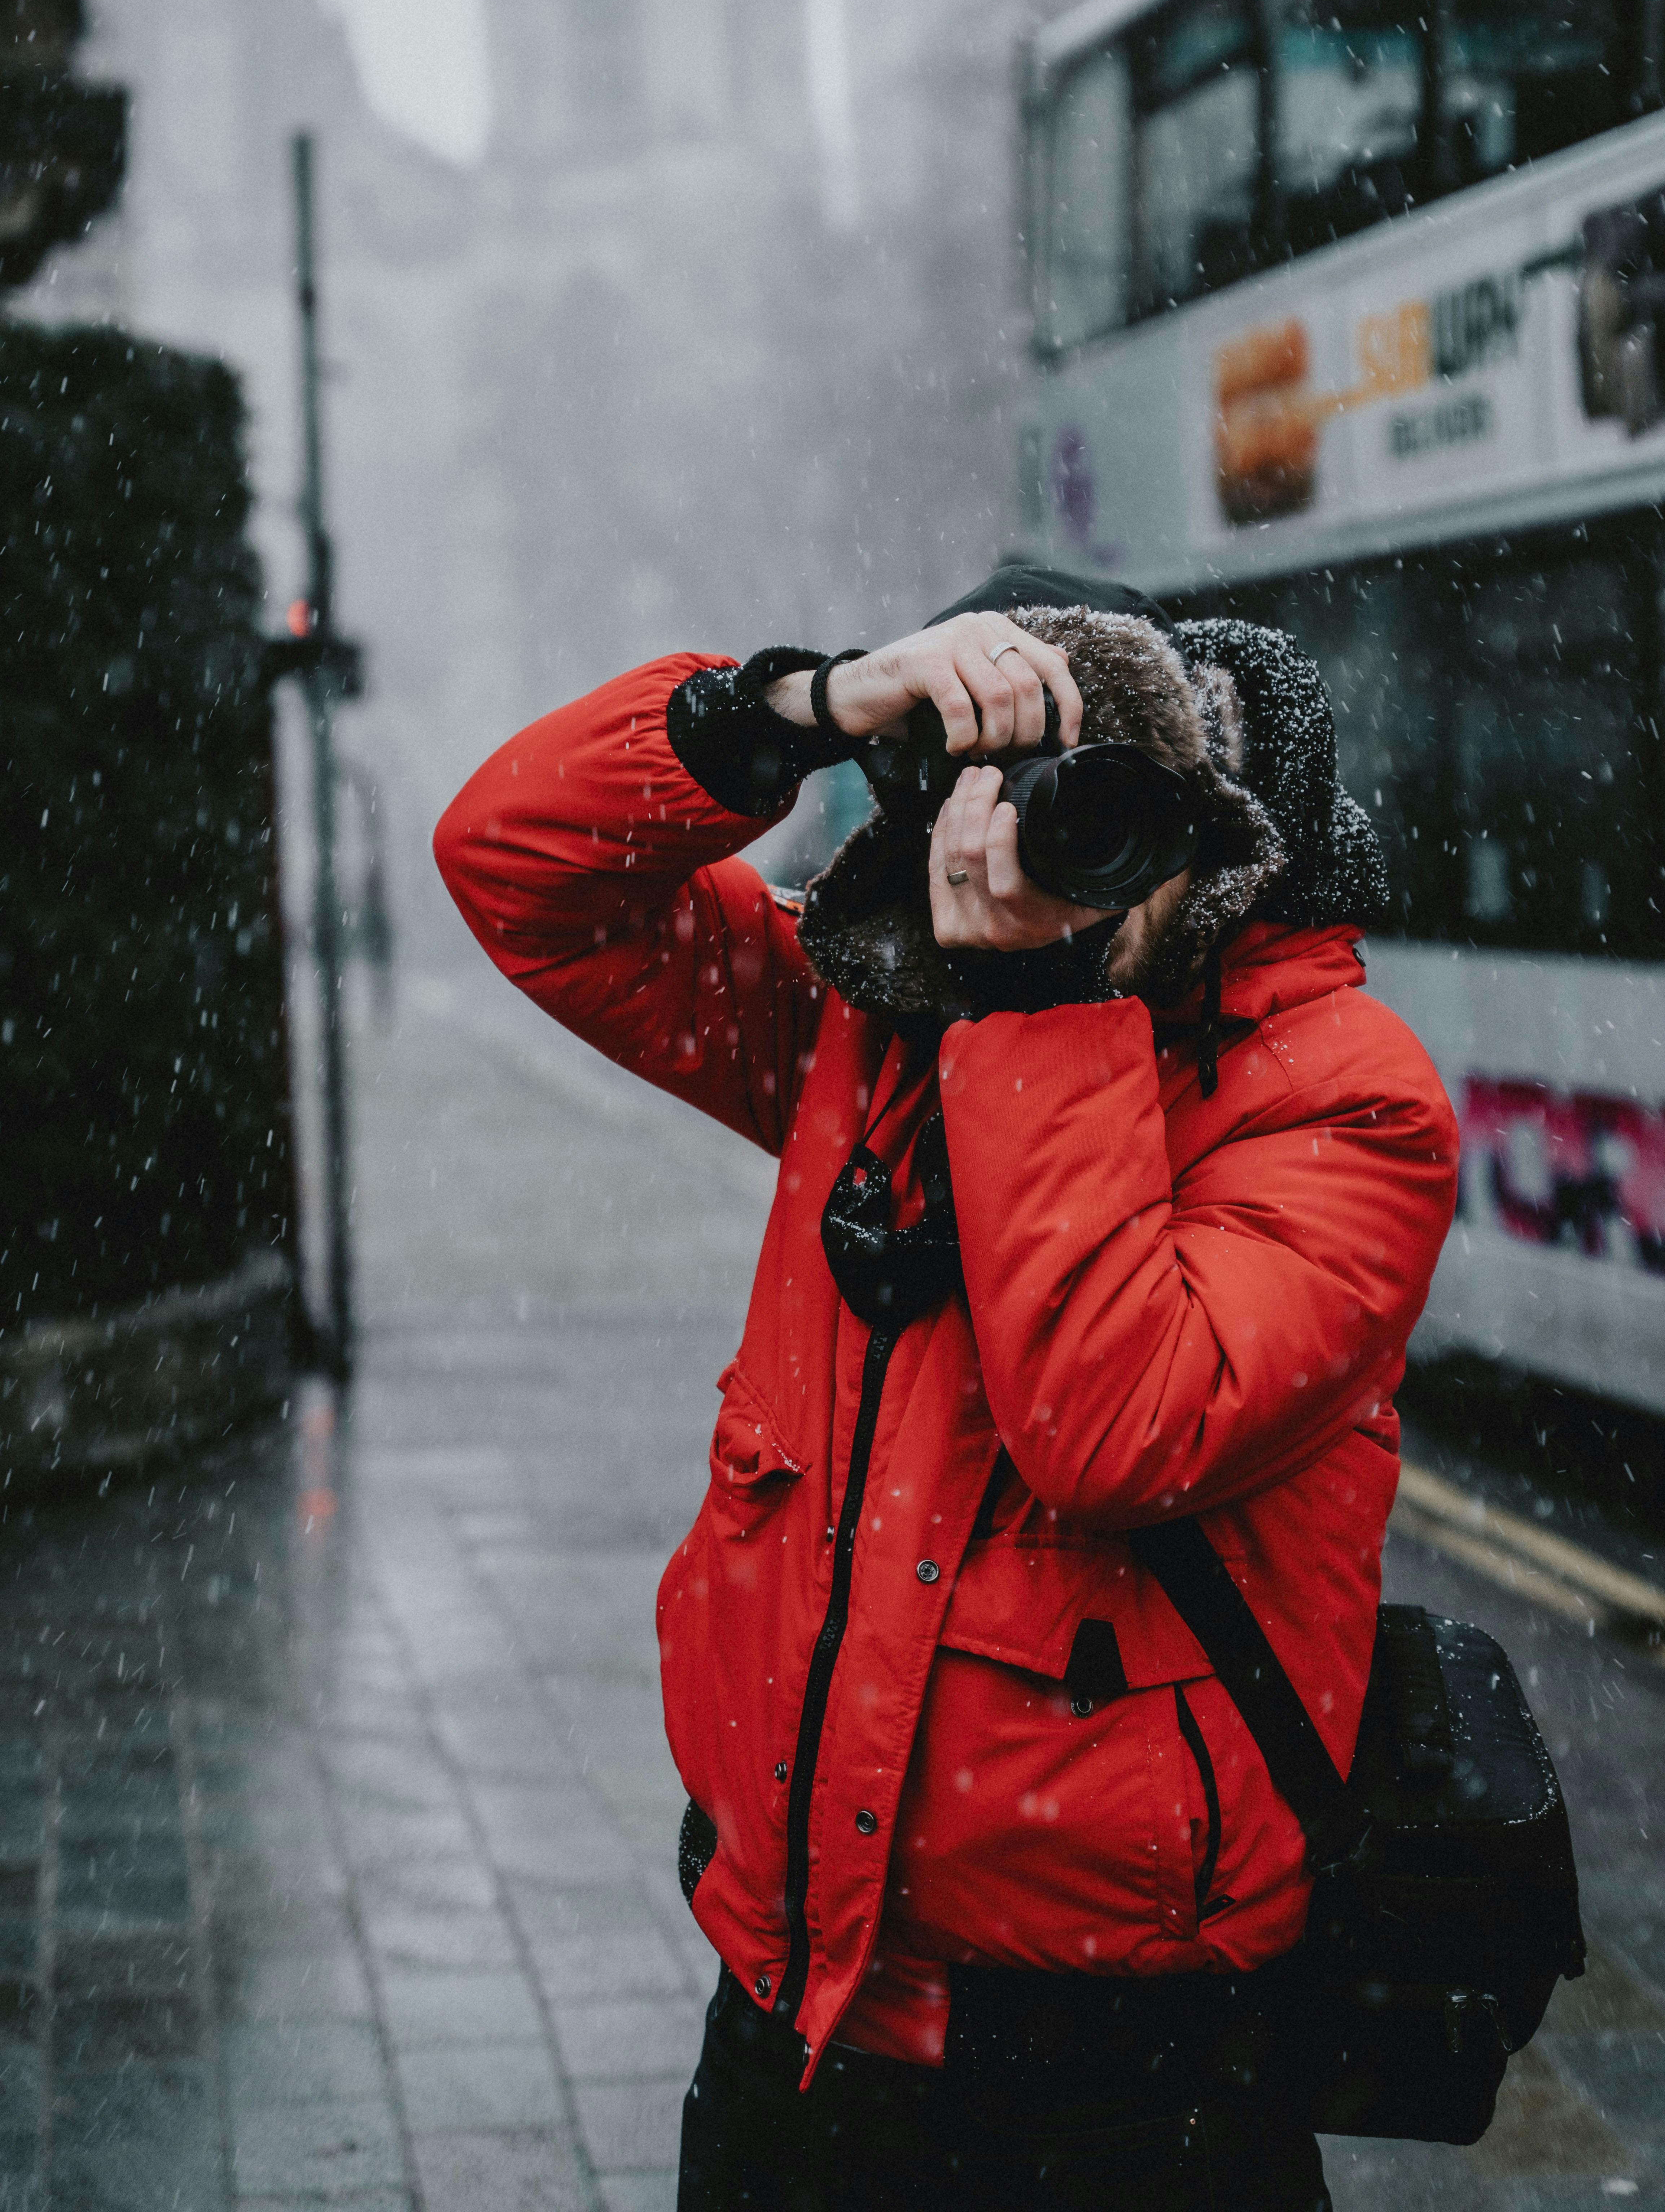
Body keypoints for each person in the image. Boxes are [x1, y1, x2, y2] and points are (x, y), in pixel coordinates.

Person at [434, 568, 1459, 2212]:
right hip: (793, 2023)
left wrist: (1045, 1006)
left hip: (1128, 2083)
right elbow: (515, 867)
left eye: (1110, 810)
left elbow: (1117, 1428)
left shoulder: (1344, 1105)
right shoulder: (871, 1025)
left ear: (1235, 842)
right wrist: (801, 706)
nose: (1042, 855)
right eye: (1006, 809)